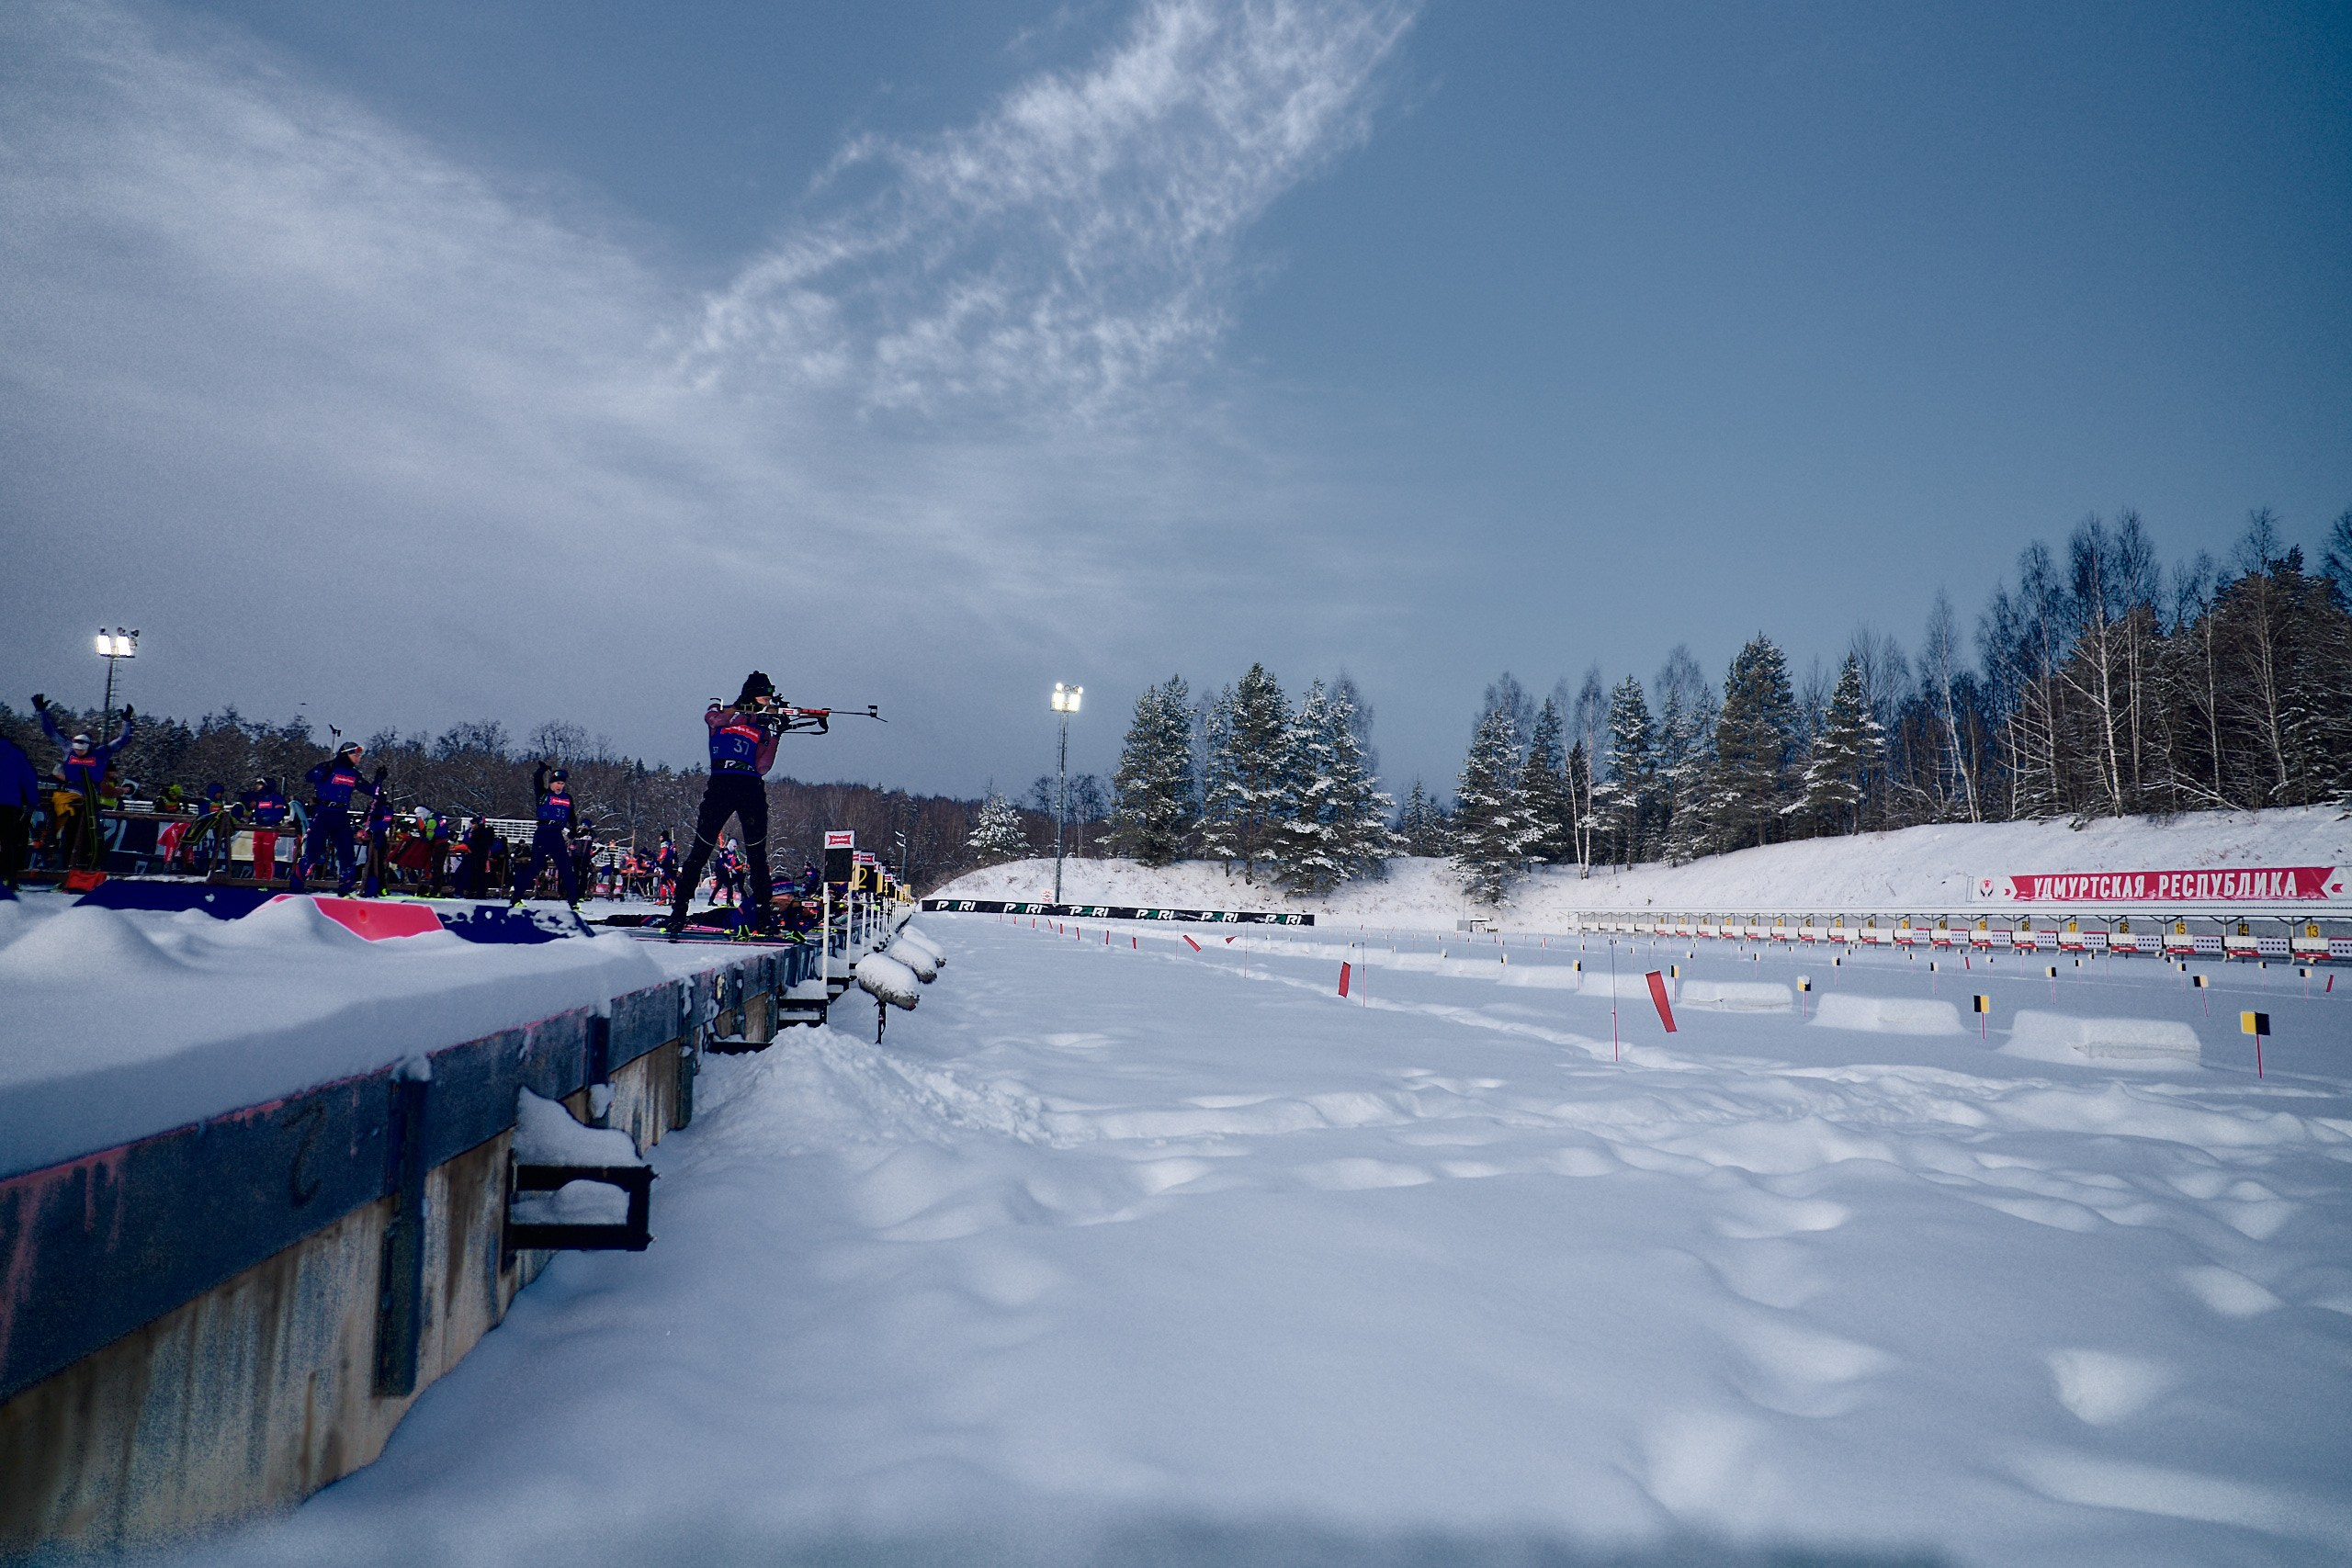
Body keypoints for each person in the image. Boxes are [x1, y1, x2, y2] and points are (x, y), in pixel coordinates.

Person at [32, 696, 134, 871]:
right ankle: (57, 860)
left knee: (90, 836)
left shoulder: (100, 753)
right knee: (68, 834)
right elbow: (51, 732)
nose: (78, 752)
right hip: (71, 796)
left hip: (90, 799)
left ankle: (87, 868)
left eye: (81, 750)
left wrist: (126, 722)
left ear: (88, 747)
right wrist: (41, 712)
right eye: (76, 749)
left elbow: (122, 740)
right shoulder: (67, 748)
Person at [291, 742, 382, 895]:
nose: (358, 758)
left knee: (346, 851)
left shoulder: (354, 774)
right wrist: (320, 771)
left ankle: (345, 886)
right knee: (314, 850)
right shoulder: (329, 768)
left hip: (341, 815)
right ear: (346, 754)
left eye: (359, 756)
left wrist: (378, 780)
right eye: (355, 755)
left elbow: (372, 792)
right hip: (323, 813)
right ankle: (297, 883)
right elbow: (308, 777)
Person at [509, 762, 582, 908]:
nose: (559, 786)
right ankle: (516, 898)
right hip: (543, 833)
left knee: (566, 868)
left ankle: (573, 902)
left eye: (562, 783)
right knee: (535, 867)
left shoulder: (568, 798)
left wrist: (573, 829)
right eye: (556, 783)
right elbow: (536, 780)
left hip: (556, 834)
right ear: (551, 784)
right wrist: (542, 770)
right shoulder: (543, 794)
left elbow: (572, 816)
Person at [0, 731, 38, 893]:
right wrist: (33, 800)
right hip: (8, 804)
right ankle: (8, 877)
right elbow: (29, 780)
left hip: (9, 802)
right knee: (7, 841)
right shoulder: (17, 754)